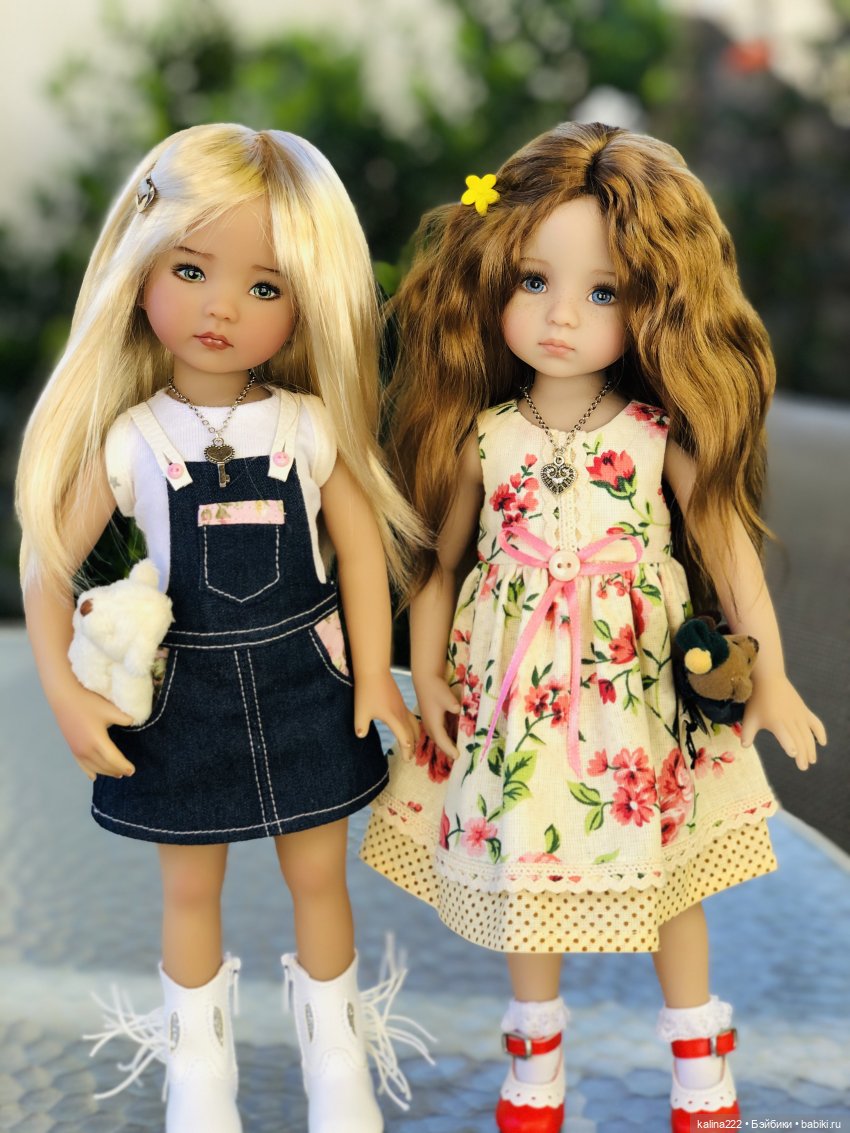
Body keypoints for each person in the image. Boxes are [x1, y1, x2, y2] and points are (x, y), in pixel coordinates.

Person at [360, 121, 827, 1132]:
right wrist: (427, 671)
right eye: (534, 281)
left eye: (602, 292)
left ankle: (699, 1061)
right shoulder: (486, 436)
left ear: (652, 305)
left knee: (668, 873)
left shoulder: (654, 435)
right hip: (517, 697)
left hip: (635, 694)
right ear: (493, 280)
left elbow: (731, 550)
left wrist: (773, 675)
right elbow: (440, 564)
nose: (562, 315)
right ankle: (535, 1059)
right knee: (527, 872)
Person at [16, 123, 428, 1133]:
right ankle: (197, 1072)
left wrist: (376, 672)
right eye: (191, 270)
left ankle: (338, 1059)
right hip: (185, 693)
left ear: (305, 305)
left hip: (303, 682)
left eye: (264, 285)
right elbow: (46, 559)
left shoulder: (306, 425)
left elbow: (361, 555)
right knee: (189, 887)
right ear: (139, 274)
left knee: (317, 874)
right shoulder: (134, 438)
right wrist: (65, 692)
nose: (221, 307)